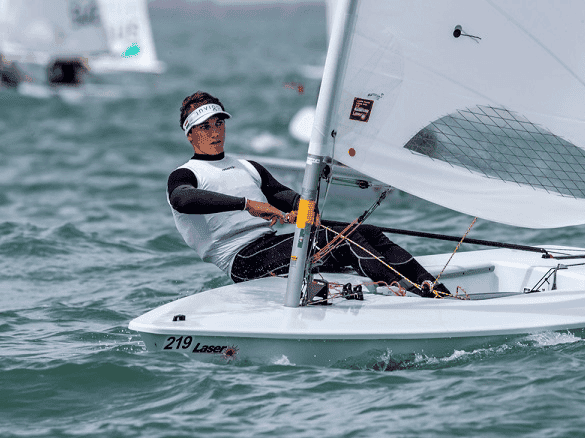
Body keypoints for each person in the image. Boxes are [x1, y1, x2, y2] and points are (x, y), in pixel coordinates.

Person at [167, 91, 449, 297]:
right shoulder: (185, 174)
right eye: (205, 127)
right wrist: (246, 204)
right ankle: (408, 295)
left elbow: (281, 194)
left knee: (367, 232)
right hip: (243, 261)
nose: (215, 132)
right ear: (190, 135)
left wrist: (304, 208)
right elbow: (183, 199)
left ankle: (436, 290)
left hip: (270, 245)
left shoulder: (247, 166)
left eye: (219, 123)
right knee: (342, 239)